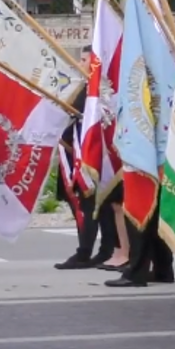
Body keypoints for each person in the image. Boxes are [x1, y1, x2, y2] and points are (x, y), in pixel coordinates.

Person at [55, 46, 118, 270]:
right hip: (74, 155)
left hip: (88, 158)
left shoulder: (95, 91)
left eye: (86, 60)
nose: (81, 64)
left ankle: (88, 252)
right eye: (81, 60)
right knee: (95, 207)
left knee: (91, 206)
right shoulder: (80, 86)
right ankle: (105, 249)